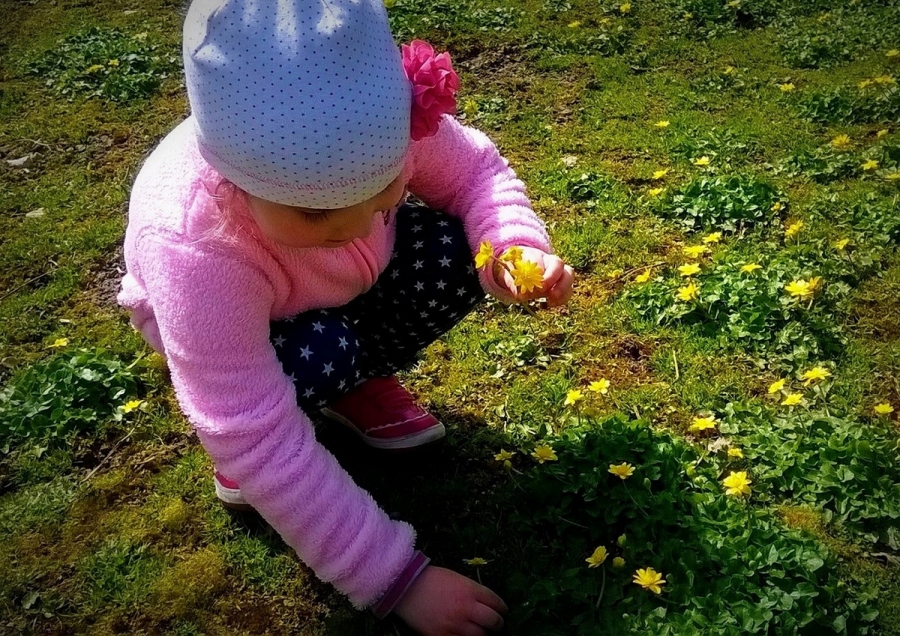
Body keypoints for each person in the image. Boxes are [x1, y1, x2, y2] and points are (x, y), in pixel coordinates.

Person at [117, 0, 574, 633]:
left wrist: (513, 243)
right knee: (309, 363)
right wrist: (396, 579)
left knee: (449, 250)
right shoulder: (197, 243)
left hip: (336, 294)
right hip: (238, 333)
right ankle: (291, 422)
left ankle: (354, 386)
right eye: (314, 214)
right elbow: (249, 425)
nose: (358, 225)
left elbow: (474, 171)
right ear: (234, 181)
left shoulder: (383, 123)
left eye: (381, 192)